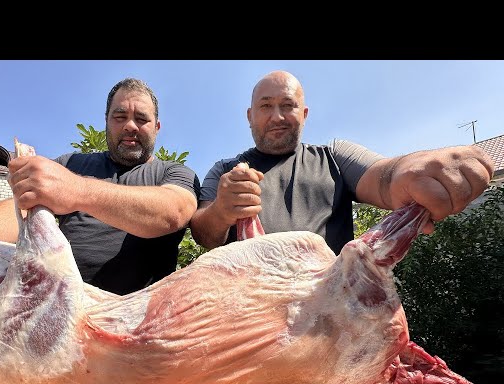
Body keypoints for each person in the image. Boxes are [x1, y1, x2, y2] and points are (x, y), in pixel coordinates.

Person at [0, 78, 201, 295]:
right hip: (61, 318)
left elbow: (172, 212)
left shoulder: (173, 172)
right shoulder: (72, 163)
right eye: (120, 116)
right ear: (106, 122)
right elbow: (20, 206)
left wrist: (76, 191)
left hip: (141, 325)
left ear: (156, 127)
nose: (130, 125)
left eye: (141, 118)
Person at [189, 70, 495, 254]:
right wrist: (221, 210)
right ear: (250, 116)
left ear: (304, 115)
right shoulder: (225, 170)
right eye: (266, 106)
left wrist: (414, 170)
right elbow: (203, 234)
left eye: (288, 105)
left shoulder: (334, 157)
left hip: (330, 317)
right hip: (252, 322)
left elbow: (386, 176)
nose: (277, 116)